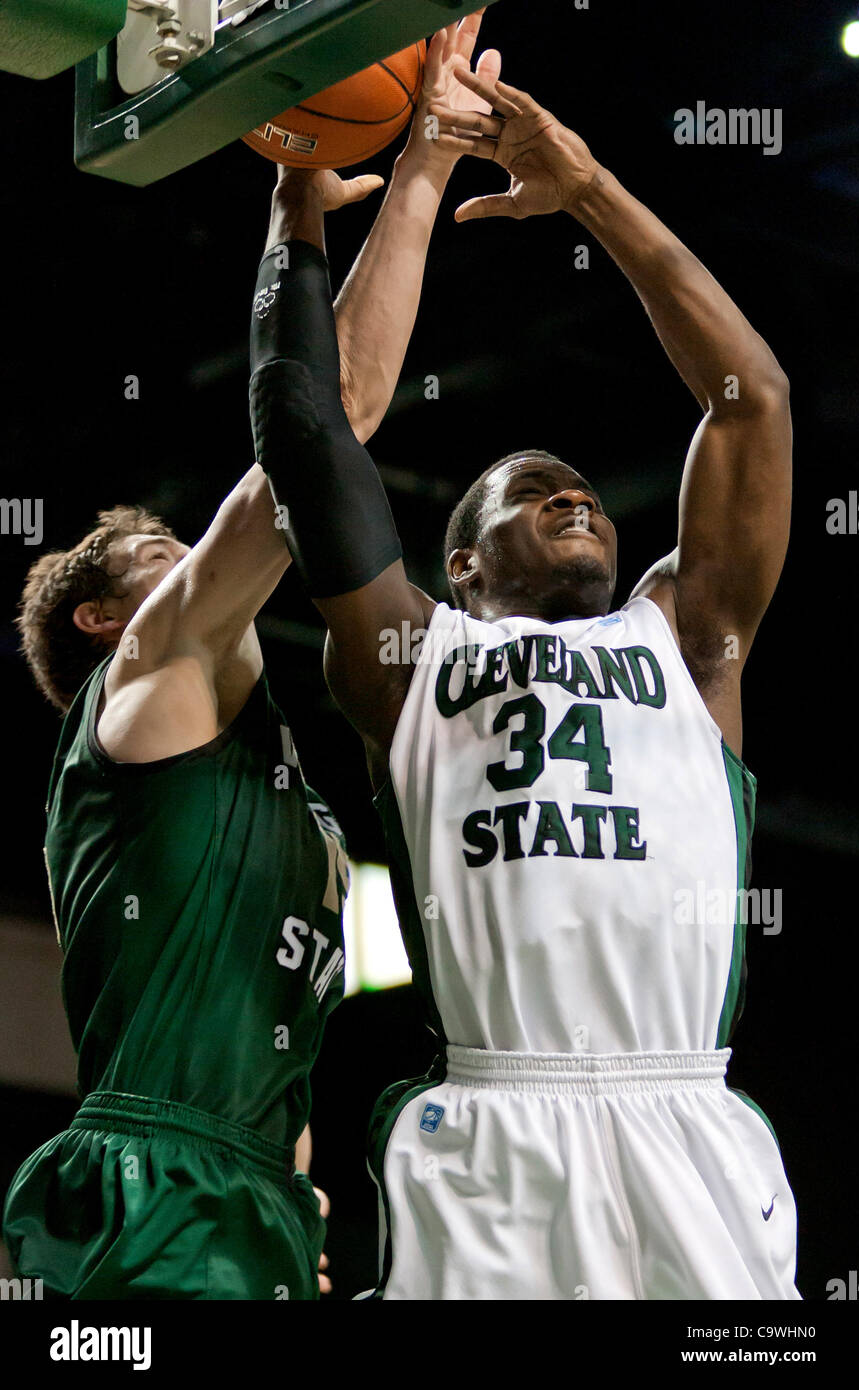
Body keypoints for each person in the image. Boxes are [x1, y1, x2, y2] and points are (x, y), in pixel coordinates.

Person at [248, 59, 798, 1299]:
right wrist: (320, 193)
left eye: (584, 491)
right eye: (530, 487)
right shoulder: (410, 655)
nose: (571, 495)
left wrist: (590, 189)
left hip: (686, 1117)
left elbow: (748, 398)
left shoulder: (684, 637)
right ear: (456, 559)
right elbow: (307, 436)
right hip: (494, 1121)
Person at [2, 14, 500, 1298]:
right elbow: (328, 424)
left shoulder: (279, 789)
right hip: (150, 1187)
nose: (191, 555)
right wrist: (333, 196)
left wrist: (296, 1184)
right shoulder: (151, 675)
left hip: (255, 1200)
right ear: (108, 621)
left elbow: (273, 1039)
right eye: (158, 551)